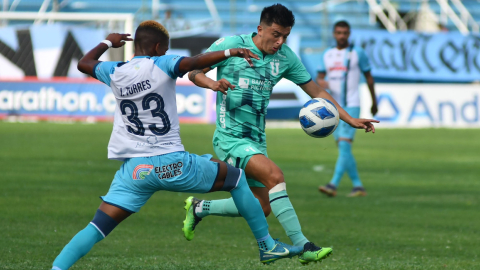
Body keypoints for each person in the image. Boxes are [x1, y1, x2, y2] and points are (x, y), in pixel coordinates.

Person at [50, 21, 304, 270]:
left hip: (135, 171)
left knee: (96, 228)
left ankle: (57, 268)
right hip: (172, 163)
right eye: (167, 48)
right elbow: (194, 63)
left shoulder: (115, 70)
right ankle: (266, 245)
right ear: (159, 47)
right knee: (237, 178)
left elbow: (84, 64)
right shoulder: (163, 64)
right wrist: (232, 51)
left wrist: (108, 41)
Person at [184, 4, 379, 265]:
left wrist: (350, 119)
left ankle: (199, 208)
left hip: (256, 140)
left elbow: (317, 92)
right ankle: (303, 245)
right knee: (276, 176)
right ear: (260, 29)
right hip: (229, 138)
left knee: (261, 207)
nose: (280, 41)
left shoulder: (285, 57)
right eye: (275, 34)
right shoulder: (231, 45)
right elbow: (194, 71)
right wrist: (213, 83)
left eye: (285, 36)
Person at [317, 20, 378, 198]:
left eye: (345, 33)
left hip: (351, 104)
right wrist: (324, 83)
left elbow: (369, 77)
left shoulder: (357, 53)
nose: (342, 36)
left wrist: (374, 101)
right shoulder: (327, 54)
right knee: (344, 149)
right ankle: (358, 186)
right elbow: (319, 78)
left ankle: (332, 185)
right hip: (333, 107)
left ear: (349, 34)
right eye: (338, 33)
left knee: (344, 146)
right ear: (334, 34)